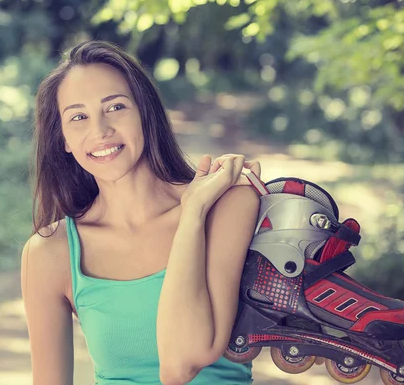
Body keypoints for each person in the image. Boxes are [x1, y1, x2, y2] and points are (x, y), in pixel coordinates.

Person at [21, 40, 262, 385]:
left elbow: (182, 363)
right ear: (64, 141)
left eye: (115, 107)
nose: (100, 131)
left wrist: (192, 214)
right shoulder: (49, 253)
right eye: (78, 117)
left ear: (145, 112)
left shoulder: (225, 204)